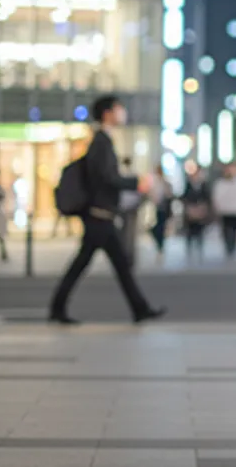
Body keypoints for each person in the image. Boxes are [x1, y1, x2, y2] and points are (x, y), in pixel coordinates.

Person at [48, 96, 165, 325]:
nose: (123, 112)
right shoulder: (101, 142)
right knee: (107, 264)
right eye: (119, 108)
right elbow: (107, 178)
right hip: (98, 215)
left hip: (100, 215)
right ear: (108, 113)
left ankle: (139, 308)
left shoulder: (102, 141)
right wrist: (136, 183)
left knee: (112, 264)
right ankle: (58, 307)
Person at [211, 163, 236, 258]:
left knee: (235, 230)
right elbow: (217, 197)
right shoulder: (220, 184)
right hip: (225, 211)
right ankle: (228, 246)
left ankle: (233, 247)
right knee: (227, 230)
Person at [181, 168, 210, 260]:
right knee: (189, 231)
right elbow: (184, 197)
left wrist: (203, 207)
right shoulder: (188, 185)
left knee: (200, 231)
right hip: (190, 211)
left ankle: (199, 248)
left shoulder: (204, 185)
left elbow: (207, 198)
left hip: (201, 211)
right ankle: (189, 249)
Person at [148, 165, 173, 263]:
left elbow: (169, 195)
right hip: (156, 208)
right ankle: (160, 246)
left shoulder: (165, 183)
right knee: (156, 228)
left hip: (164, 209)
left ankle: (161, 246)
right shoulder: (155, 183)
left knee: (161, 227)